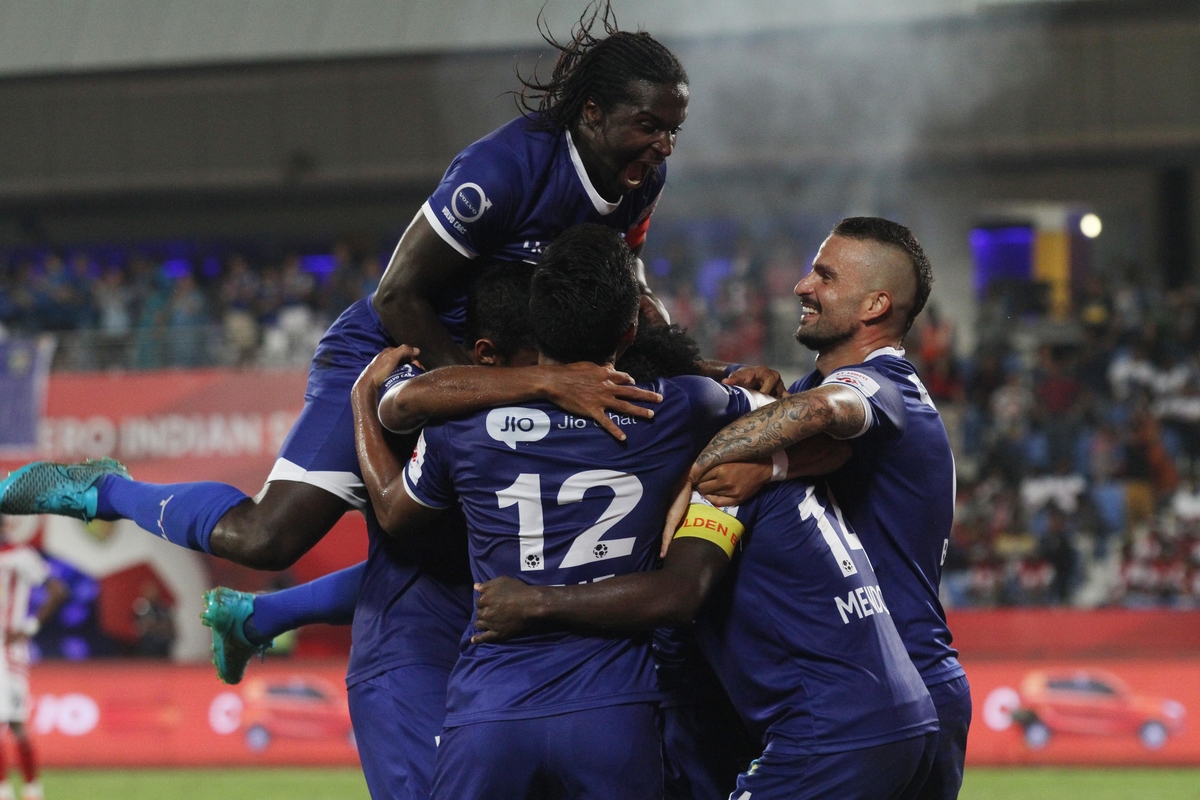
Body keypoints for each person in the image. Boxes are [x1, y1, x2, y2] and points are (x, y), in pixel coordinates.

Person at [353, 225, 773, 799]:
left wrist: (362, 402)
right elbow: (775, 404)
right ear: (627, 333)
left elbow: (394, 507)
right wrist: (740, 380)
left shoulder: (464, 425)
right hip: (613, 711)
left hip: (490, 710)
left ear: (538, 320)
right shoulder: (678, 407)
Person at [670, 217, 970, 800]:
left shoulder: (885, 383)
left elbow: (828, 410)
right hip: (877, 687)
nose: (802, 286)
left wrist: (698, 469)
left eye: (825, 276)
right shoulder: (817, 386)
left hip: (886, 688)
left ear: (875, 305)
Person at [470, 478, 938, 800]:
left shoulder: (723, 484)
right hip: (907, 715)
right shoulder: (778, 463)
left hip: (829, 732)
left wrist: (535, 603)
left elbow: (678, 594)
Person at [0, 517, 70, 800]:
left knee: (15, 723)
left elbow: (58, 590)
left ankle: (32, 789)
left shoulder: (21, 556)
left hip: (8, 653)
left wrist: (29, 627)